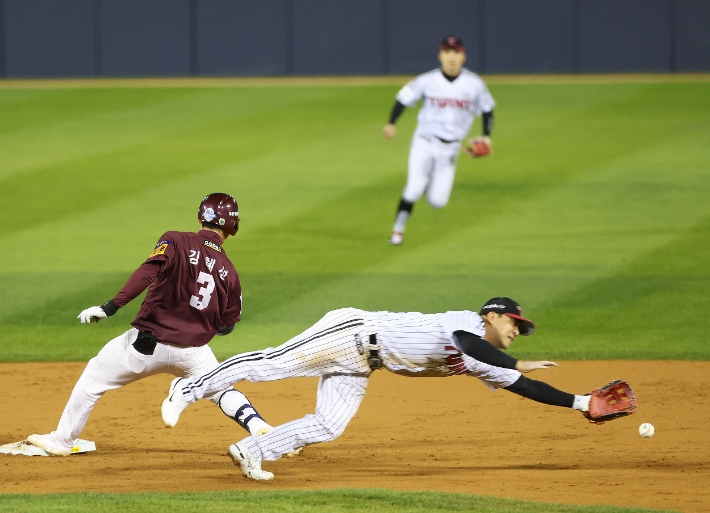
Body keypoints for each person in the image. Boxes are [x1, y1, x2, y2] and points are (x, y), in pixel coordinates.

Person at [161, 297, 597, 481]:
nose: (518, 332)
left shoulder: (485, 360)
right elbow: (470, 345)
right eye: (514, 324)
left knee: (330, 425)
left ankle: (253, 450)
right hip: (351, 332)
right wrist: (516, 360)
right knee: (268, 366)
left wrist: (582, 403)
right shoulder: (468, 322)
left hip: (364, 363)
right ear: (493, 317)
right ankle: (191, 387)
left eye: (522, 330)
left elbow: (525, 386)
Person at [27, 193, 273, 456]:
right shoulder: (230, 271)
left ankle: (62, 441)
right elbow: (227, 326)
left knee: (93, 378)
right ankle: (260, 427)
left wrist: (110, 307)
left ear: (202, 216)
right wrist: (196, 317)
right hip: (193, 353)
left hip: (145, 347)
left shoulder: (176, 240)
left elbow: (149, 271)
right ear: (232, 226)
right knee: (223, 390)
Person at [383, 35, 496, 245]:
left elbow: (488, 111)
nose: (451, 57)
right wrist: (391, 123)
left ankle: (427, 180)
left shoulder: (474, 84)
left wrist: (487, 137)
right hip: (424, 141)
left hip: (452, 148)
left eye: (456, 52)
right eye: (447, 52)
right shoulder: (427, 80)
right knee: (413, 188)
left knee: (438, 202)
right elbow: (402, 98)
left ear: (463, 56)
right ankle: (397, 231)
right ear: (440, 56)